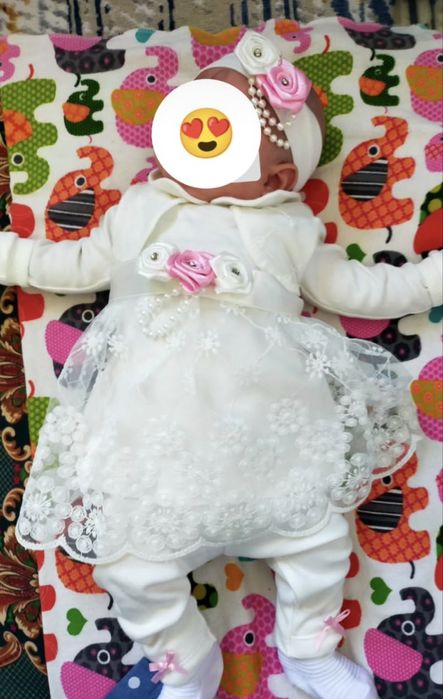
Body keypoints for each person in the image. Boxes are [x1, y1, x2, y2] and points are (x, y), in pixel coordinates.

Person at [1, 31, 441, 699]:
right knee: (125, 562)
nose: (197, 131)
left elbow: (360, 290)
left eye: (222, 126)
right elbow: (73, 264)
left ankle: (308, 651)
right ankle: (185, 657)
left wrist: (430, 278)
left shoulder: (290, 225)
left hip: (270, 442)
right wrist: (11, 255)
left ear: (278, 176)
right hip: (154, 455)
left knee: (321, 541)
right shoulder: (140, 211)